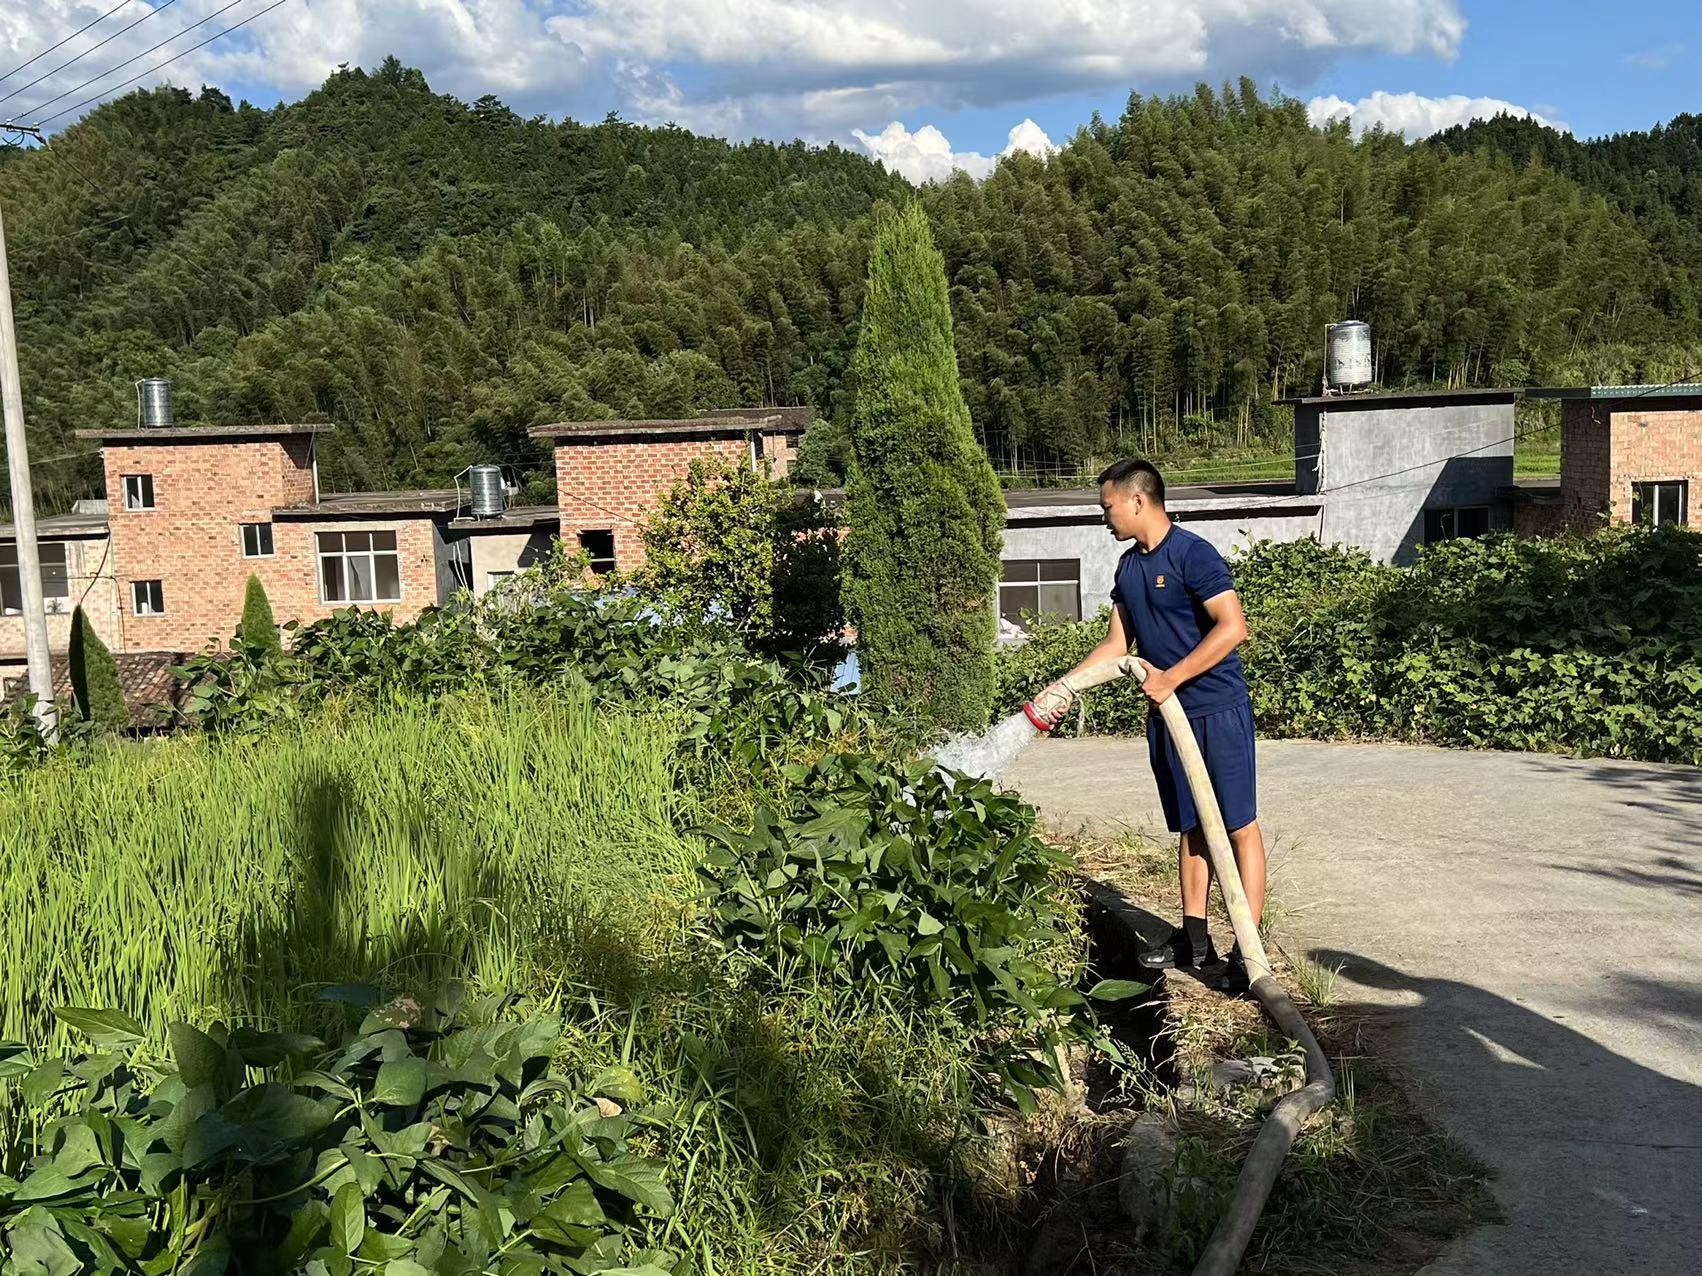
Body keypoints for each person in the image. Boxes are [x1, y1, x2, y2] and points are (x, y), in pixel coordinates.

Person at [1034, 458, 1265, 990]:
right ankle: (1193, 937)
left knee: (1236, 826)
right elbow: (1117, 646)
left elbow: (1233, 628)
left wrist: (1172, 677)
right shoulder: (1127, 568)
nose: (1104, 516)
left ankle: (1246, 953)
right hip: (1167, 714)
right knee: (1191, 825)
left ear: (1138, 501)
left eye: (1107, 506)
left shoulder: (1193, 554)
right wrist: (1064, 686)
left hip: (1215, 708)